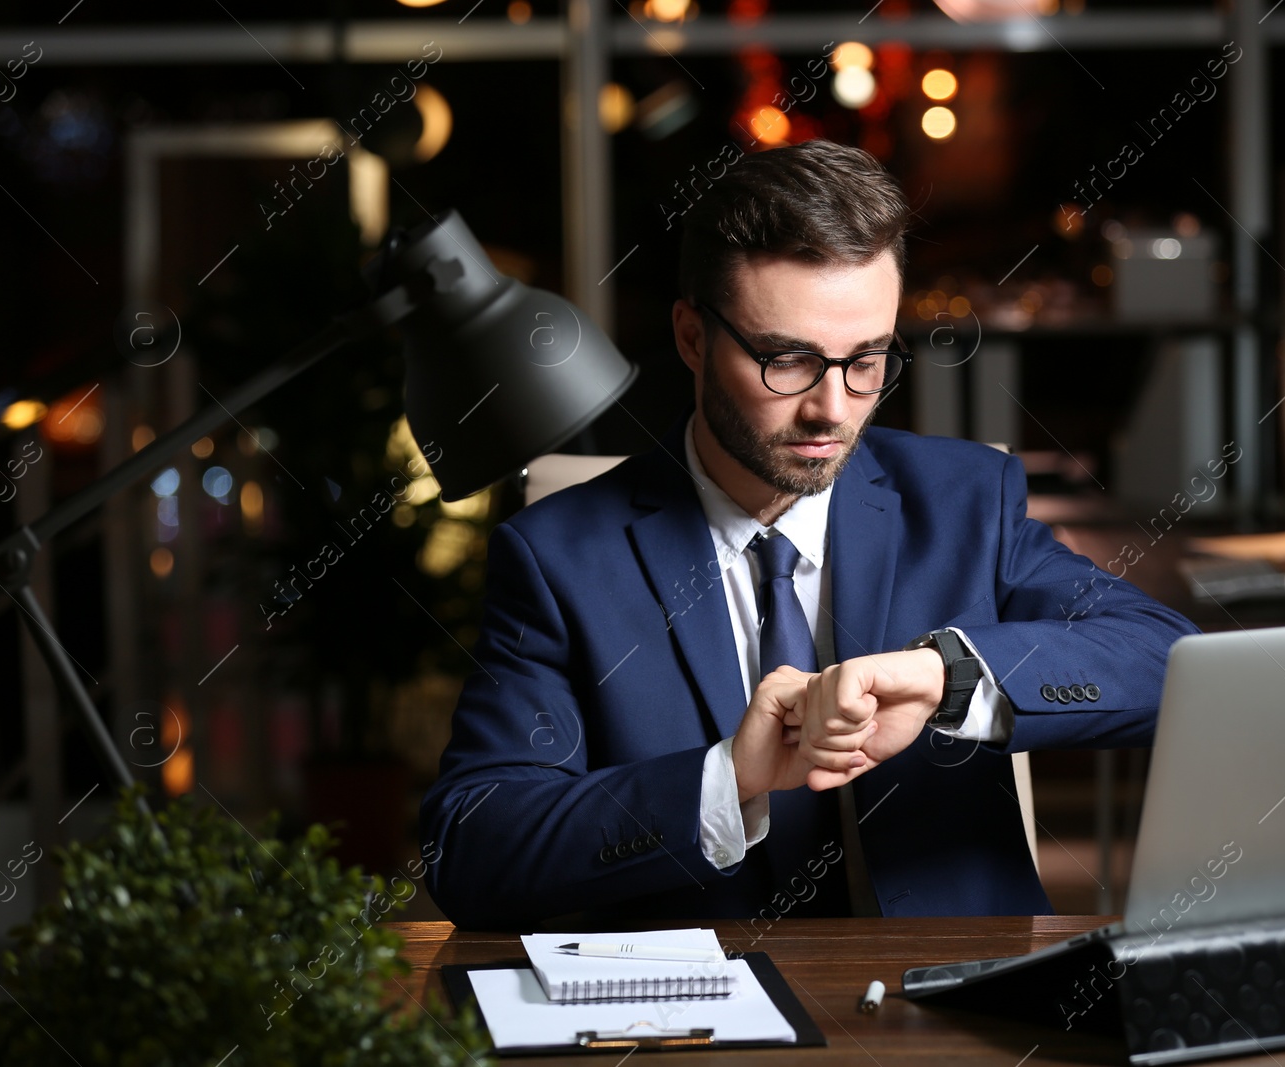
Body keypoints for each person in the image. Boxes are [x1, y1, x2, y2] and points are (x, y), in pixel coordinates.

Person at [419, 139, 1199, 929]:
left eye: (866, 360)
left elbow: (1170, 663)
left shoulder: (964, 501)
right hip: (698, 1029)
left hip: (962, 1012)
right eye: (787, 361)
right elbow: (474, 846)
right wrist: (726, 780)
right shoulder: (559, 555)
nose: (833, 408)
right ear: (692, 338)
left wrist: (944, 678)